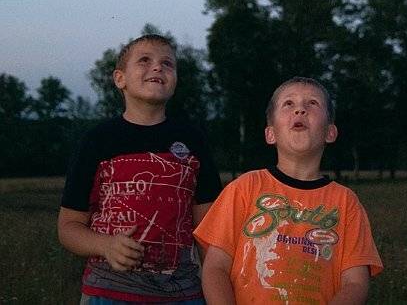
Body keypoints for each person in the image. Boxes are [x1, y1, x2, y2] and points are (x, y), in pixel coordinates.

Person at [58, 33, 222, 304]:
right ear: (120, 78)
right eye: (144, 60)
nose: (158, 67)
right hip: (109, 291)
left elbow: (208, 230)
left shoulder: (194, 140)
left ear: (175, 81)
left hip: (182, 293)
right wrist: (104, 245)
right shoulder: (97, 140)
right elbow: (68, 227)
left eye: (168, 64)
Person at [194, 76, 382, 304]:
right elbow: (215, 268)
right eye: (289, 104)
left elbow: (355, 283)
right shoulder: (244, 188)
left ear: (330, 132)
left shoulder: (346, 202)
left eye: (312, 103)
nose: (300, 110)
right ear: (270, 133)